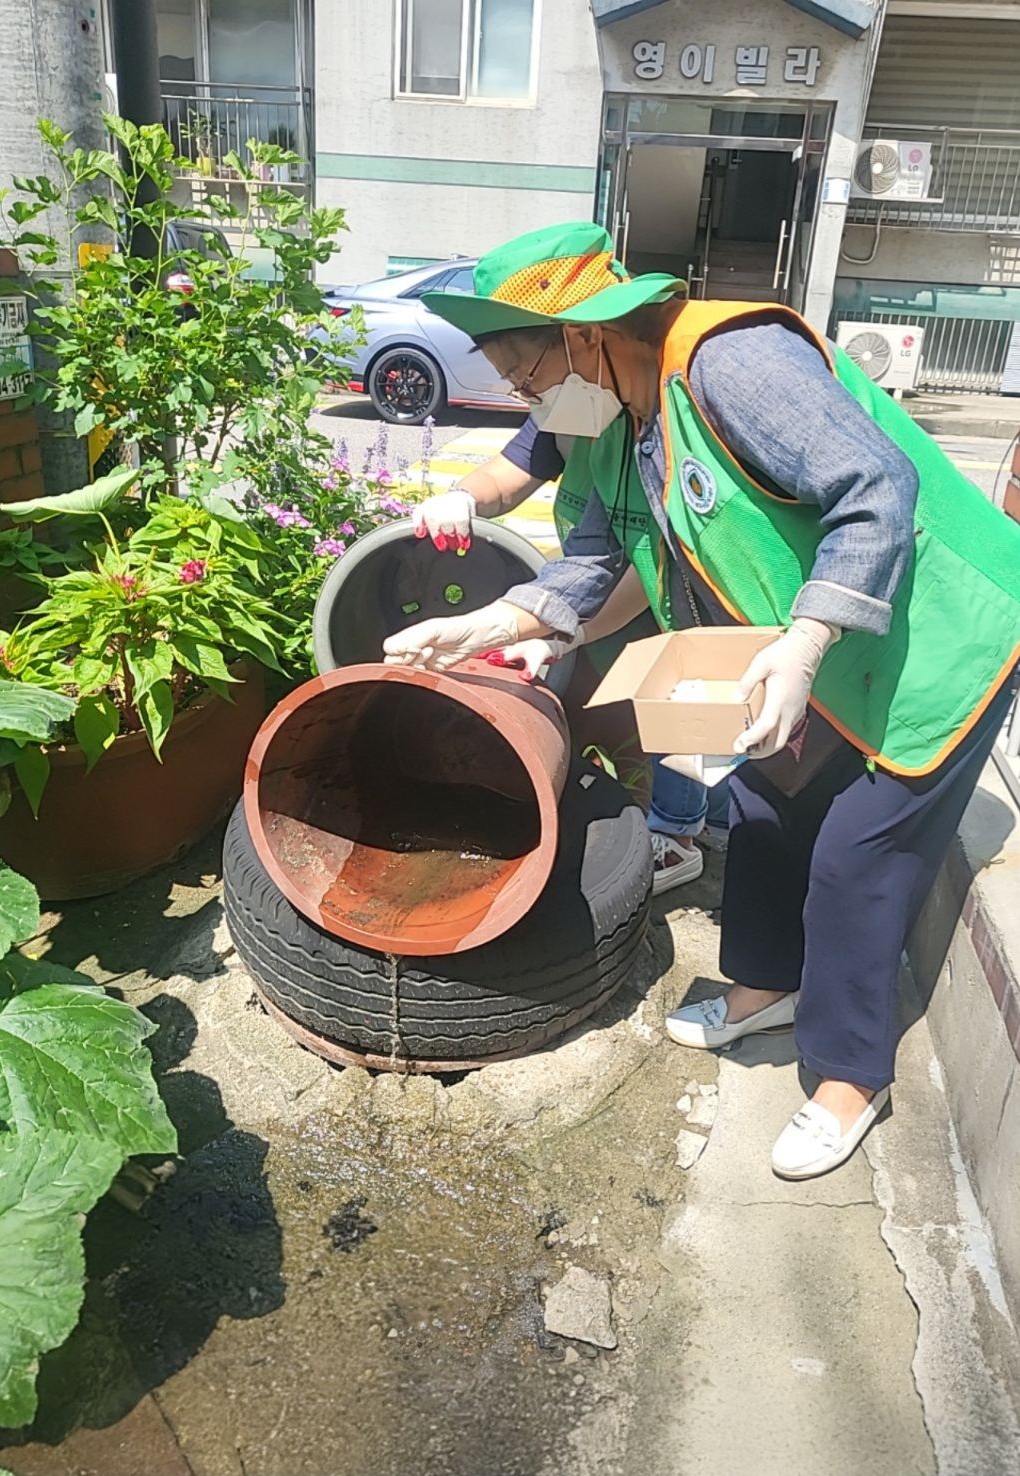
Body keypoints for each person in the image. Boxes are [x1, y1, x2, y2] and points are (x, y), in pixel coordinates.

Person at [383, 222, 1020, 1180]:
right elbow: (598, 562)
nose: (527, 404)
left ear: (588, 335)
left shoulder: (730, 362)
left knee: (857, 854)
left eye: (528, 375)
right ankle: (768, 985)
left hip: (937, 640)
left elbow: (873, 485)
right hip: (826, 655)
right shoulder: (616, 416)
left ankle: (850, 1074)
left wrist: (806, 641)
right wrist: (488, 627)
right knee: (762, 804)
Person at [411, 412, 722, 894]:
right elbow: (504, 478)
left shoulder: (643, 429)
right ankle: (708, 811)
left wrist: (561, 635)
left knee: (675, 714)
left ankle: (678, 836)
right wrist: (463, 497)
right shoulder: (563, 414)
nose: (520, 387)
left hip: (660, 609)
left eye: (528, 368)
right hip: (587, 600)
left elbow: (646, 572)